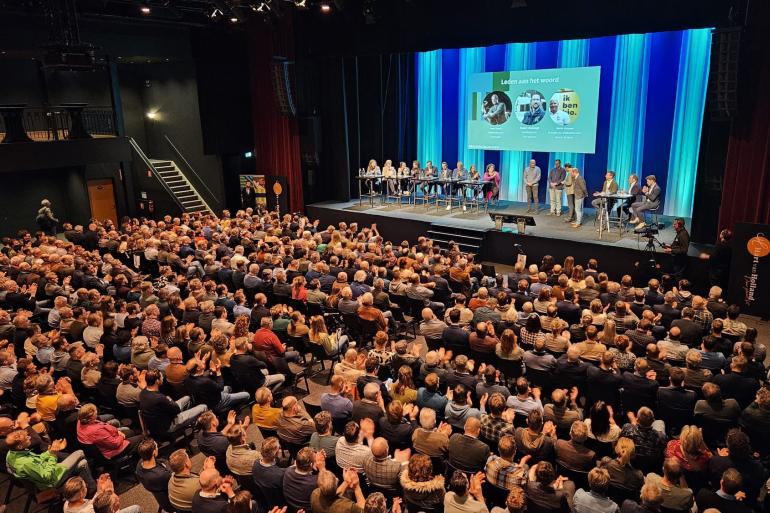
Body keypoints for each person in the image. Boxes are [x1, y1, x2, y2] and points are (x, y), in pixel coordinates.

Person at [5, 429, 96, 494]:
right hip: (51, 482)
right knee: (80, 453)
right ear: (20, 446)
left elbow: (37, 460)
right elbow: (47, 476)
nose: (29, 437)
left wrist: (50, 451)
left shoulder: (11, 453)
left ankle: (86, 489)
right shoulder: (25, 464)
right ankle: (90, 489)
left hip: (46, 471)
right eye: (26, 438)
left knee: (82, 463)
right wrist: (53, 455)